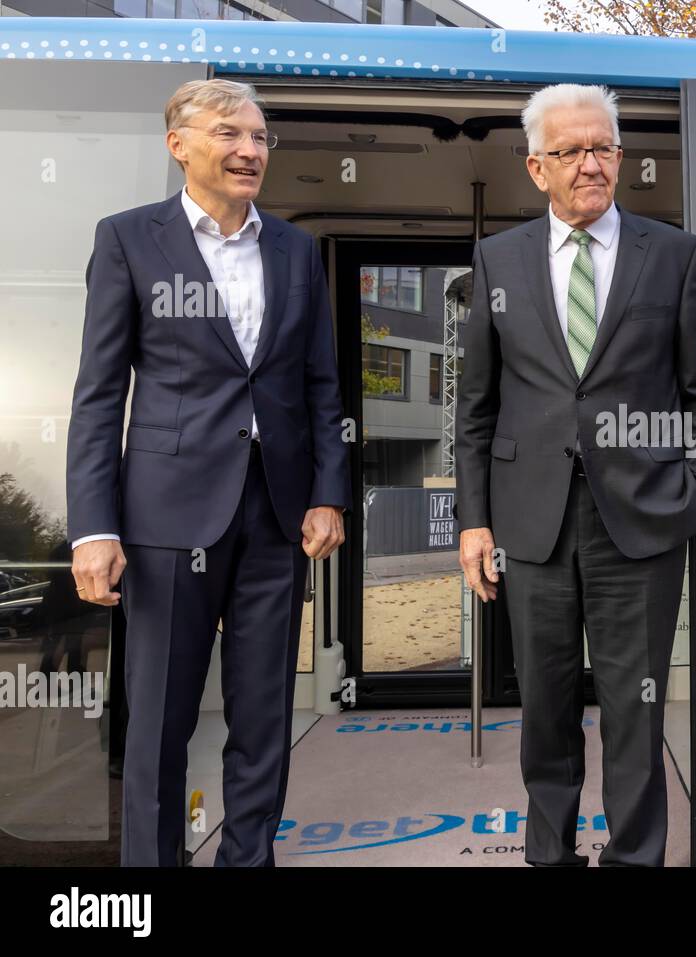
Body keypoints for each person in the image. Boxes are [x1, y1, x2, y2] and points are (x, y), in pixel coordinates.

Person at [66, 78, 350, 867]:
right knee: (158, 723)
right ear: (178, 145)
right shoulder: (128, 239)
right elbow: (97, 395)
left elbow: (319, 386)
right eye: (230, 132)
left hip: (276, 519)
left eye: (261, 137)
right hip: (163, 520)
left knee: (264, 718)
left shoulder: (293, 248)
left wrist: (329, 492)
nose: (250, 150)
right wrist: (93, 525)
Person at [455, 83, 696, 866]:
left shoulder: (673, 254)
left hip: (639, 524)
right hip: (530, 525)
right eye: (571, 151)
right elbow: (475, 408)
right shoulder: (496, 259)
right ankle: (551, 858)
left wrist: (688, 493)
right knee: (544, 712)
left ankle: (635, 858)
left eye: (604, 147)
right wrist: (474, 519)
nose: (592, 165)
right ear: (536, 166)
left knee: (633, 713)